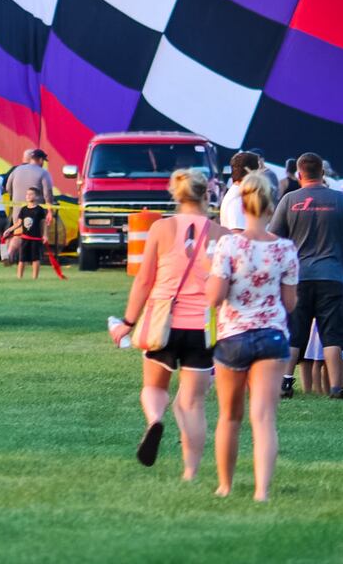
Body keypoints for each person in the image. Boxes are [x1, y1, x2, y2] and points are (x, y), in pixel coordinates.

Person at [110, 168, 220, 478]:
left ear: (175, 194)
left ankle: (155, 420)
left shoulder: (161, 228)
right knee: (193, 403)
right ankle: (190, 472)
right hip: (203, 326)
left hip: (163, 322)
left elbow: (144, 280)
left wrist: (128, 322)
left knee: (154, 387)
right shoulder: (221, 233)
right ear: (206, 195)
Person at [206, 171, 298, 501]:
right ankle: (262, 491)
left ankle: (225, 486)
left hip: (233, 337)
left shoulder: (228, 244)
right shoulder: (286, 249)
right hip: (272, 336)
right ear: (272, 205)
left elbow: (215, 297)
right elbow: (290, 303)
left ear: (242, 204)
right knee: (264, 418)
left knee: (230, 417)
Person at [269, 152, 343, 400]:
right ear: (323, 174)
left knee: (295, 331)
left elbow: (274, 236)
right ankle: (336, 387)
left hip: (298, 276)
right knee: (332, 333)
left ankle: (285, 383)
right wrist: (334, 235)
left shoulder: (289, 199)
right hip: (333, 275)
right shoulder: (339, 199)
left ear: (300, 174)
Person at [219, 151, 260, 232]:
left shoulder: (239, 195)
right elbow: (237, 233)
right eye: (258, 170)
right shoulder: (238, 199)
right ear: (250, 172)